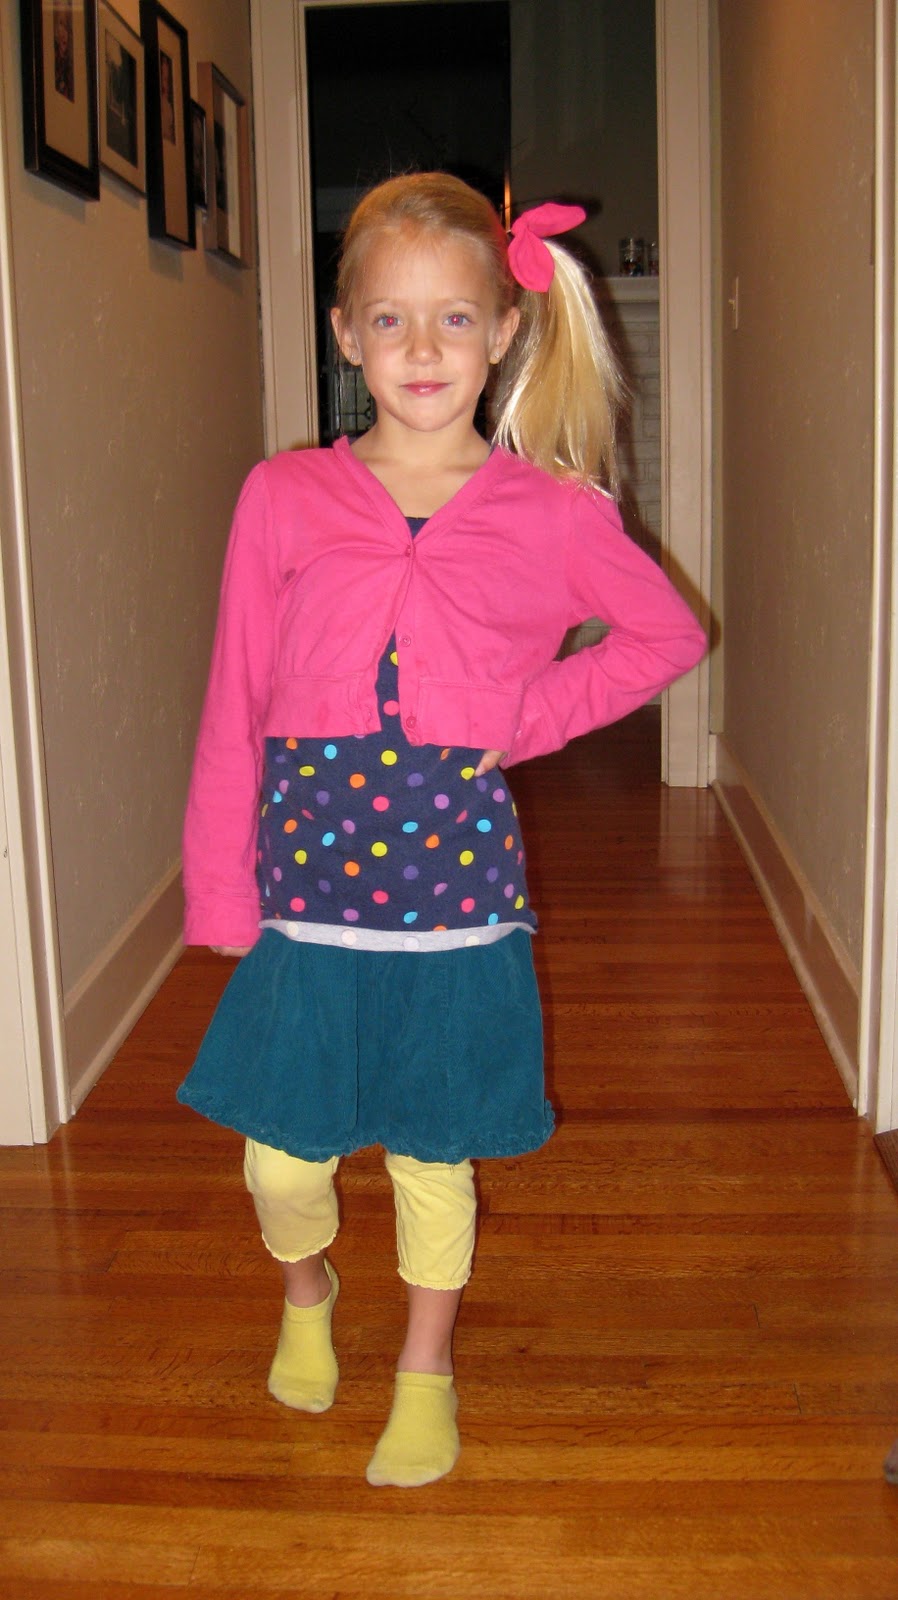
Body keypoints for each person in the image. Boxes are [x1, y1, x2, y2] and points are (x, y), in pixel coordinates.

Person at [177, 172, 706, 1488]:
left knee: (434, 1152)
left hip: (455, 896)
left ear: (505, 330)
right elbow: (234, 697)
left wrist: (527, 716)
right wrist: (221, 892)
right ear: (346, 334)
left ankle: (424, 1365)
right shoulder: (282, 495)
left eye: (455, 318)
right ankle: (306, 1291)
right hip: (306, 894)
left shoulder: (554, 512)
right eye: (392, 319)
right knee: (280, 1160)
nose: (424, 348)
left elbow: (664, 636)